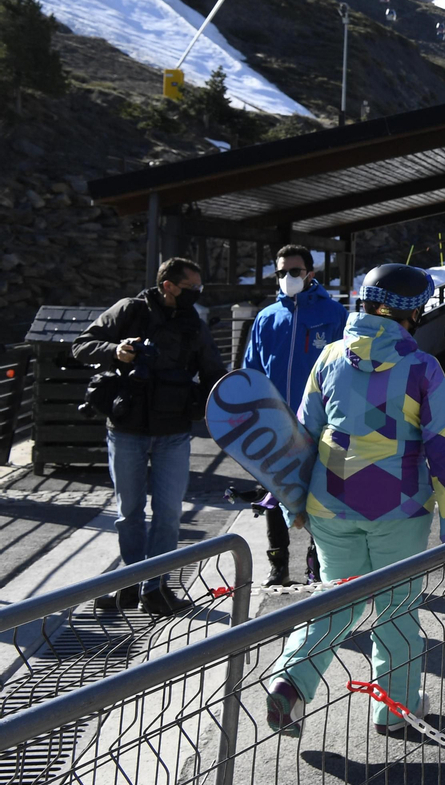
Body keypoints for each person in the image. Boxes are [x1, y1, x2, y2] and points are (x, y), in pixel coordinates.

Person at [264, 263, 445, 739]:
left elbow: (304, 433)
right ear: (414, 312)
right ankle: (394, 711)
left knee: (336, 600)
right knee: (397, 609)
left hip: (331, 502)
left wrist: (294, 504)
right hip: (400, 507)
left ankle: (290, 683)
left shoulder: (331, 356)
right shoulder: (422, 366)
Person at [74, 257, 224, 617]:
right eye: (191, 287)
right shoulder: (129, 311)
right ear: (168, 286)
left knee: (169, 513)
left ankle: (154, 588)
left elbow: (214, 372)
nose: (198, 294)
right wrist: (115, 351)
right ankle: (132, 583)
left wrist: (228, 410)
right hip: (126, 430)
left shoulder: (194, 322)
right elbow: (82, 345)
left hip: (173, 431)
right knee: (129, 512)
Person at [241, 245, 349, 586]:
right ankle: (278, 566)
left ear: (310, 274)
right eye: (281, 272)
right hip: (274, 425)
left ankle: (317, 565)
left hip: (320, 425)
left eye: (294, 271)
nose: (287, 277)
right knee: (274, 497)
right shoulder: (266, 317)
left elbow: (346, 369)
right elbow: (252, 370)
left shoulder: (333, 314)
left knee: (321, 497)